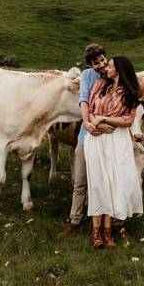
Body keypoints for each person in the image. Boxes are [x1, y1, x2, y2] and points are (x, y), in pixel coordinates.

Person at [83, 55, 143, 249]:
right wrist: (96, 123)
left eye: (109, 65)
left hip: (117, 142)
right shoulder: (100, 85)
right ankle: (96, 232)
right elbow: (90, 109)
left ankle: (108, 233)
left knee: (112, 183)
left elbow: (127, 120)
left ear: (119, 69)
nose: (105, 68)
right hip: (96, 139)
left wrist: (104, 119)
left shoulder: (130, 92)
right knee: (97, 183)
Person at [57, 43, 113, 238]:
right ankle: (75, 220)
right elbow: (84, 101)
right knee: (80, 181)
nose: (101, 64)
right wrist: (88, 124)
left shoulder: (114, 75)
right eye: (96, 62)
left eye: (103, 60)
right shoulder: (88, 76)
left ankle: (105, 224)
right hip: (86, 135)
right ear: (90, 64)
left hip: (107, 136)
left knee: (105, 181)